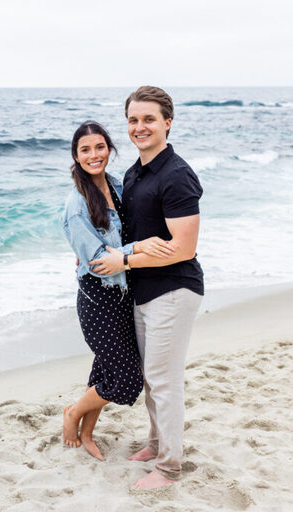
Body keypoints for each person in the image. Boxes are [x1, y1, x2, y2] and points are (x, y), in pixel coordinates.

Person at [91, 86, 204, 490]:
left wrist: (123, 260)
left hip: (174, 288)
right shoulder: (136, 173)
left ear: (167, 123)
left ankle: (170, 467)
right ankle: (156, 443)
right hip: (144, 290)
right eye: (134, 120)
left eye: (149, 119)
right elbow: (129, 232)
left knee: (164, 380)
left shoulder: (176, 175)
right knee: (151, 377)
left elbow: (183, 247)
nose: (139, 127)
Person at [60, 121, 173, 461]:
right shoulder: (76, 203)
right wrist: (143, 247)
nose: (94, 155)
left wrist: (132, 249)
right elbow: (98, 260)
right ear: (76, 157)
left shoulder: (117, 186)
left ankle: (87, 433)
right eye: (85, 150)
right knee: (126, 381)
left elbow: (118, 248)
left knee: (105, 370)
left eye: (99, 147)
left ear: (109, 148)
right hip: (99, 298)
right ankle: (72, 413)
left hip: (125, 293)